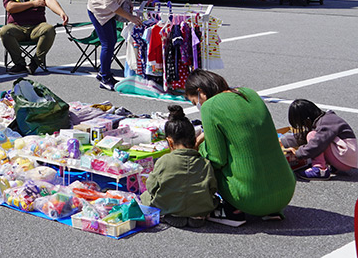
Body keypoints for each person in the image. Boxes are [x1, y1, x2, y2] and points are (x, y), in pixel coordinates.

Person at [185, 69, 296, 225]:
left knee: (206, 158)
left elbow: (217, 159)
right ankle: (270, 211)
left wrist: (197, 149)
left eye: (195, 101)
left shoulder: (210, 107)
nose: (198, 105)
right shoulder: (249, 94)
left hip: (250, 198)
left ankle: (233, 211)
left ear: (201, 92)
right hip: (285, 191)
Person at [141, 105, 218, 228]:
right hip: (200, 207)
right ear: (194, 139)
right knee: (210, 199)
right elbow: (212, 188)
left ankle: (172, 214)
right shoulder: (205, 163)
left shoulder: (164, 161)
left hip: (168, 204)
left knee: (145, 196)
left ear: (170, 141)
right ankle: (196, 216)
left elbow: (151, 187)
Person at [86, 0, 148, 90]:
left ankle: (103, 73)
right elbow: (109, 2)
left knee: (111, 41)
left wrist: (129, 7)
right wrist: (129, 17)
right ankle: (105, 77)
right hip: (99, 9)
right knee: (108, 43)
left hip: (108, 9)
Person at [0, 0, 69, 75]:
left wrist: (61, 13)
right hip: (17, 27)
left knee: (49, 29)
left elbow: (49, 0)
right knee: (4, 31)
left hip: (36, 27)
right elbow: (10, 7)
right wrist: (32, 3)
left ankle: (35, 62)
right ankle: (19, 64)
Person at [281, 99, 357, 179]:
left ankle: (320, 170)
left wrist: (297, 153)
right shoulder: (325, 119)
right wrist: (283, 141)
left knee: (312, 135)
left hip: (344, 158)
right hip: (347, 158)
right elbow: (303, 136)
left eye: (302, 124)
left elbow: (316, 144)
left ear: (307, 120)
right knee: (313, 135)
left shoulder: (326, 122)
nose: (303, 126)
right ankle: (333, 166)